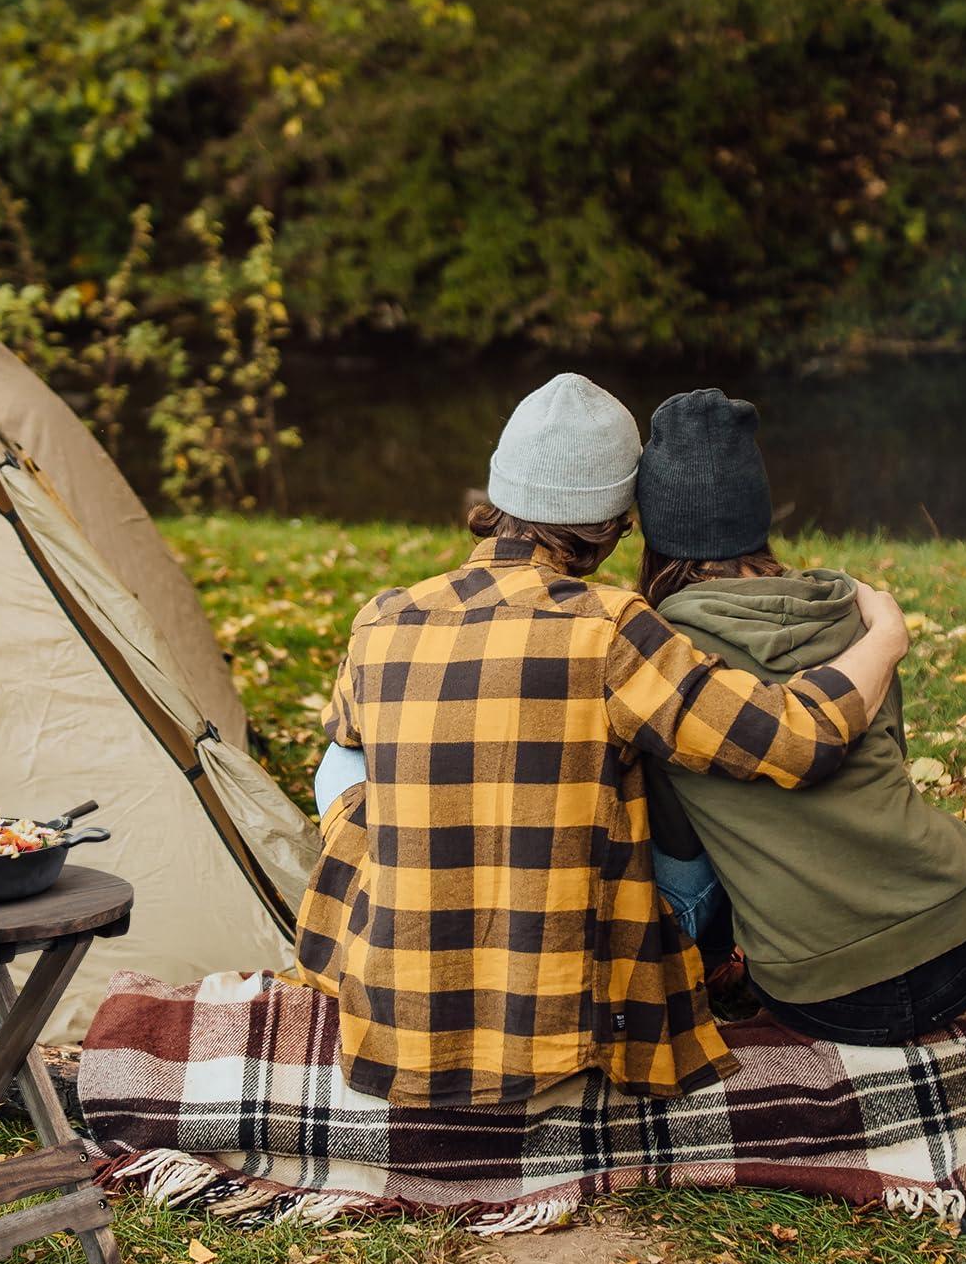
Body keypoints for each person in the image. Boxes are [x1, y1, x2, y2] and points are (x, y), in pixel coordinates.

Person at [295, 373, 911, 1107]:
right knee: (698, 778)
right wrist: (886, 639)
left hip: (399, 1027)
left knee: (347, 759)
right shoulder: (612, 625)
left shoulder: (382, 618)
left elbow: (352, 754)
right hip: (557, 1030)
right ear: (616, 523)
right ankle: (721, 964)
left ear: (498, 499)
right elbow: (796, 740)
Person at [635, 387, 966, 1045]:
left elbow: (680, 841)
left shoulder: (662, 657)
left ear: (653, 529)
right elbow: (890, 755)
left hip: (821, 994)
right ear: (756, 511)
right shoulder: (850, 610)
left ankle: (708, 973)